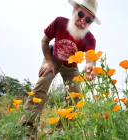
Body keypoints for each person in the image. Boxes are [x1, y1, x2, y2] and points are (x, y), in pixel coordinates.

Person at [20, 0, 101, 138]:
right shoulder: (60, 22)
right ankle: (27, 130)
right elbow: (44, 41)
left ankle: (61, 134)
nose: (82, 20)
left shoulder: (90, 39)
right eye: (81, 14)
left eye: (88, 19)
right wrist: (47, 61)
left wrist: (89, 67)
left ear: (91, 22)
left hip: (71, 67)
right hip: (53, 59)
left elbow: (89, 58)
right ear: (74, 10)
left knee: (75, 98)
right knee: (42, 84)